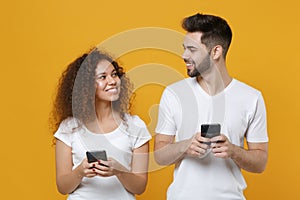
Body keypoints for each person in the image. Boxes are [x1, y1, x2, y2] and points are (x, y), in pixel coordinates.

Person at [154, 13, 268, 200]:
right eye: (184, 49)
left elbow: (260, 162)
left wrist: (233, 151)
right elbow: (159, 155)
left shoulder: (251, 98)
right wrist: (185, 146)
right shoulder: (174, 93)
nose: (184, 56)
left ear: (216, 52)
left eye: (192, 49)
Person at [50, 48, 151, 200]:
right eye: (102, 77)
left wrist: (119, 171)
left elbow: (140, 187)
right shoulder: (68, 128)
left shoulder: (135, 126)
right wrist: (80, 171)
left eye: (114, 74)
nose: (112, 81)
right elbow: (62, 187)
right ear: (86, 86)